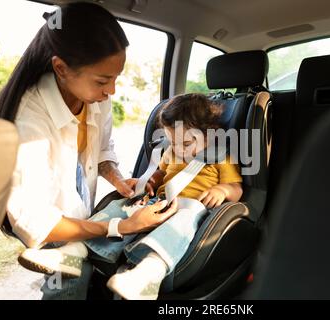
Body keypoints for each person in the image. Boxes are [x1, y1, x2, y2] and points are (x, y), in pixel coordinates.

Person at [0, 2, 177, 300]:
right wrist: (119, 225)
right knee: (74, 273)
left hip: (78, 211)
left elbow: (102, 150)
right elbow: (38, 222)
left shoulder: (95, 99)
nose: (112, 91)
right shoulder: (27, 123)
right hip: (50, 224)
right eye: (103, 80)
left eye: (116, 77)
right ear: (61, 68)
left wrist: (117, 179)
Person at [18, 93, 244, 300]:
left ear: (211, 132)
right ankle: (74, 252)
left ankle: (148, 274)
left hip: (191, 210)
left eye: (186, 143)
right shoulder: (172, 152)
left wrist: (222, 190)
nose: (180, 150)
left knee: (187, 216)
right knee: (118, 206)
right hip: (159, 204)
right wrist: (151, 182)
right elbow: (162, 173)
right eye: (173, 142)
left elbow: (236, 187)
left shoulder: (220, 157)